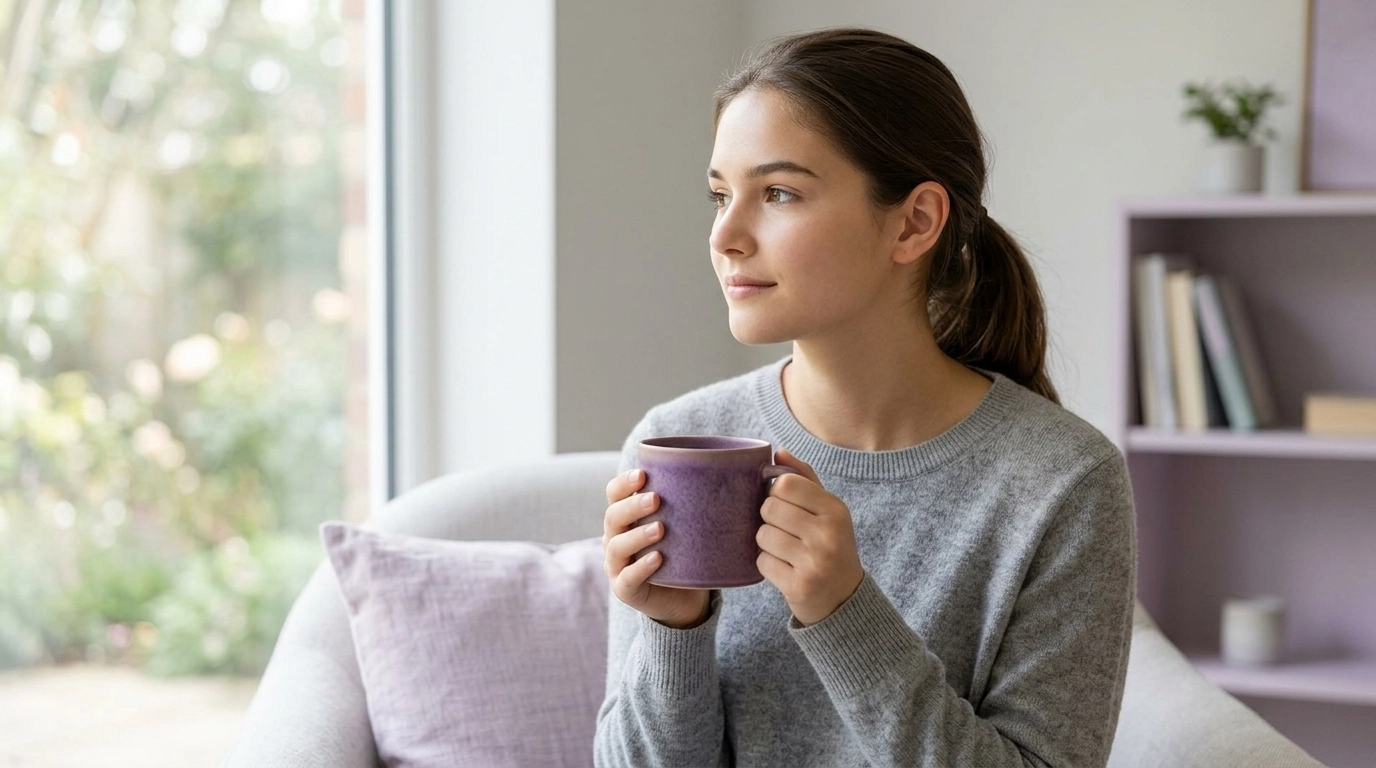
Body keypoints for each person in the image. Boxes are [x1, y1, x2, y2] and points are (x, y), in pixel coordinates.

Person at [593, 25, 1136, 768]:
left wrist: (845, 614)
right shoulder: (680, 441)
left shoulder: (1063, 482)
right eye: (721, 194)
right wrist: (672, 630)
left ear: (914, 222)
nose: (726, 235)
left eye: (778, 193)